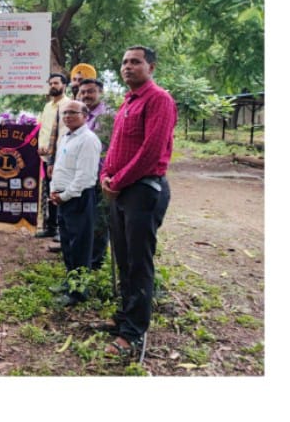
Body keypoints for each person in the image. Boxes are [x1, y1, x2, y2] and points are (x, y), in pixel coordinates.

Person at [100, 46, 177, 358]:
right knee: (123, 258)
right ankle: (125, 316)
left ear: (151, 67)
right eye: (124, 62)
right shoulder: (128, 102)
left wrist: (116, 182)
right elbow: (117, 147)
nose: (127, 67)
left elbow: (150, 151)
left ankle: (133, 332)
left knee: (138, 262)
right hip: (121, 191)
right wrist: (106, 173)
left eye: (135, 62)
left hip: (142, 191)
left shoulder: (159, 99)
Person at [50, 100, 102, 306]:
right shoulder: (66, 137)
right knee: (68, 242)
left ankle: (79, 291)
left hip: (78, 198)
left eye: (73, 112)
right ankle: (70, 281)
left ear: (85, 115)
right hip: (63, 198)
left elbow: (85, 177)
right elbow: (61, 167)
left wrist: (65, 195)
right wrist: (55, 190)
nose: (68, 116)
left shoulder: (88, 140)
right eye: (65, 113)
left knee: (80, 245)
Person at [77, 78, 114, 270]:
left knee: (100, 221)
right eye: (82, 92)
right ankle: (85, 257)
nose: (86, 96)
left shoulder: (108, 116)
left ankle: (96, 261)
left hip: (102, 176)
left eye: (90, 91)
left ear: (100, 92)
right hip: (84, 177)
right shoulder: (82, 116)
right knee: (86, 218)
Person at [36, 73, 70, 243]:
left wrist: (52, 151)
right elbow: (44, 130)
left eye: (56, 83)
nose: (53, 86)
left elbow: (64, 132)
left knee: (60, 192)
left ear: (64, 85)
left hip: (60, 156)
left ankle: (61, 229)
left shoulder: (69, 105)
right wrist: (40, 147)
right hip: (45, 156)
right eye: (50, 83)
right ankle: (50, 227)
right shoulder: (47, 106)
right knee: (49, 192)